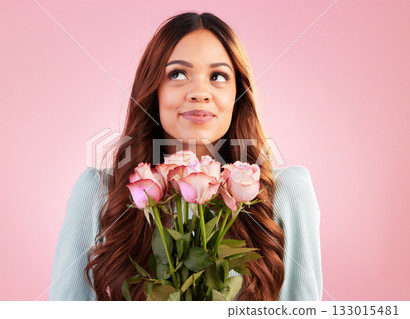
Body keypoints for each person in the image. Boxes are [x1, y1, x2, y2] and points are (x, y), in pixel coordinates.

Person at [49, 11, 323, 301]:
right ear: (154, 89)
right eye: (177, 74)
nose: (200, 92)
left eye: (218, 76)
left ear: (237, 95)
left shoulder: (285, 191)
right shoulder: (98, 193)